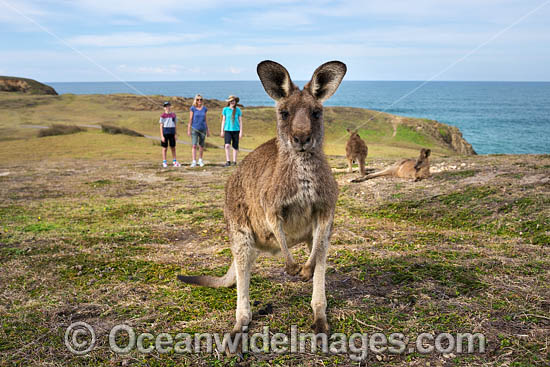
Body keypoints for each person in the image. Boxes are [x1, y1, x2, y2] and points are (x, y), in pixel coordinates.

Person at [187, 94, 209, 167]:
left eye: (201, 99)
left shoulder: (204, 109)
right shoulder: (192, 108)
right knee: (194, 145)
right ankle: (194, 161)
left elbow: (205, 120)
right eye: (198, 99)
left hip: (203, 129)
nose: (199, 101)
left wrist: (207, 130)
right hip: (194, 129)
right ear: (195, 100)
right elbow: (190, 119)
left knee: (201, 145)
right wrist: (188, 129)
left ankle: (200, 160)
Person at [220, 95, 242, 167]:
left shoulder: (238, 110)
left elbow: (240, 121)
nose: (233, 102)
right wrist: (222, 131)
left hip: (236, 130)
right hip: (227, 130)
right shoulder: (225, 109)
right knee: (227, 145)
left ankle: (234, 161)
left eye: (234, 101)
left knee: (235, 146)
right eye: (231, 101)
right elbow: (223, 120)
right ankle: (228, 161)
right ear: (229, 102)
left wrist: (241, 131)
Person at [159, 101, 180, 168]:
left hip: (172, 132)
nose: (167, 107)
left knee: (173, 147)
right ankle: (164, 162)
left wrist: (176, 134)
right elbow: (161, 126)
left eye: (168, 106)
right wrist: (162, 136)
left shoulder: (173, 115)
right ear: (164, 108)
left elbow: (175, 125)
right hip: (165, 132)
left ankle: (174, 161)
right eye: (166, 106)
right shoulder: (162, 116)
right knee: (164, 148)